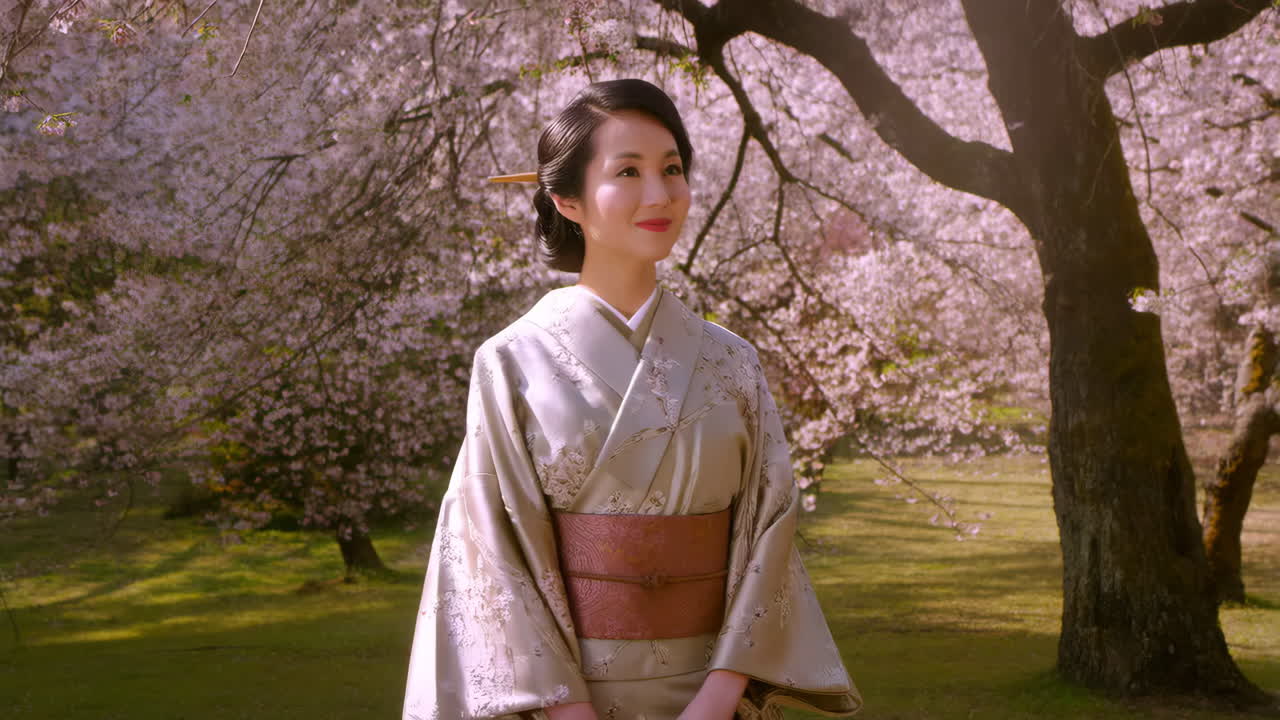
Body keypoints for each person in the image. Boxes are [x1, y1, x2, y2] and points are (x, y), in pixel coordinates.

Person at [402, 78, 861, 720]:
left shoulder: (732, 362)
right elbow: (490, 552)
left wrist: (717, 699)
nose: (660, 194)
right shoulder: (509, 362)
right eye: (628, 171)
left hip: (712, 697)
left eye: (672, 169)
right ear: (567, 199)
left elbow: (770, 529)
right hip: (567, 702)